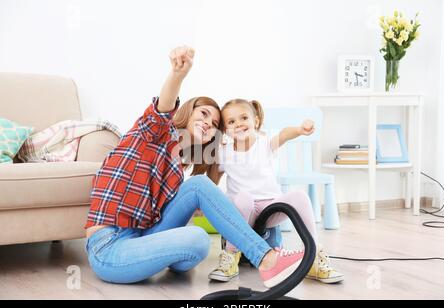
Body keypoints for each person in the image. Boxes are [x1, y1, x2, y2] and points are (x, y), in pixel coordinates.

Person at [84, 46, 303, 289]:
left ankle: (247, 251)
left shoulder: (177, 168)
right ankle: (267, 258)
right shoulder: (154, 133)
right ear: (187, 112)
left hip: (142, 235)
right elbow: (162, 109)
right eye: (204, 113)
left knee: (198, 195)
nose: (208, 123)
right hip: (110, 246)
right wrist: (178, 74)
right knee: (198, 238)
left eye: (214, 123)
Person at [207, 98, 344, 284]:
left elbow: (284, 134)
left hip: (270, 209)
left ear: (255, 121)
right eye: (231, 122)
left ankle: (313, 256)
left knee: (300, 197)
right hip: (242, 214)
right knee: (244, 198)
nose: (238, 124)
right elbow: (212, 182)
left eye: (243, 118)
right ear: (225, 130)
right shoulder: (224, 152)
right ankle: (230, 256)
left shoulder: (265, 144)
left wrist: (299, 130)